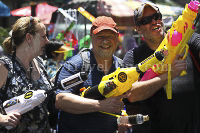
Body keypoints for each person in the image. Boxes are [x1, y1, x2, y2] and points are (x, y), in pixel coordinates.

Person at [123, 3, 200, 133]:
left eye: (156, 16)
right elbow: (131, 94)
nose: (154, 21)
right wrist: (168, 75)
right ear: (138, 29)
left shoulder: (188, 39)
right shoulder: (134, 56)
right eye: (146, 20)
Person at [55, 16, 132, 133]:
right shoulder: (76, 65)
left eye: (110, 36)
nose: (105, 41)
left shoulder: (122, 68)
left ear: (117, 38)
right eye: (100, 36)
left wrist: (123, 119)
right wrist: (100, 105)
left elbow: (124, 103)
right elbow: (61, 99)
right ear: (91, 37)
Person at [0, 16, 52, 133]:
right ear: (29, 38)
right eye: (43, 37)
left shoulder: (39, 62)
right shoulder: (5, 66)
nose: (47, 41)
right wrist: (1, 118)